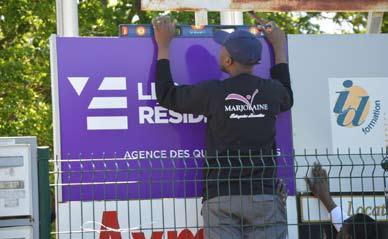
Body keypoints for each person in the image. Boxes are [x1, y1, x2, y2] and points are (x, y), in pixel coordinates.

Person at [153, 16, 293, 239]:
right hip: (263, 196)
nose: (218, 52)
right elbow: (287, 93)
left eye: (222, 49)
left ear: (228, 60)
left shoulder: (213, 93)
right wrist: (278, 46)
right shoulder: (272, 91)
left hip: (222, 196)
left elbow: (167, 95)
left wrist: (163, 45)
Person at [305, 163, 381, 239]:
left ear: (348, 237)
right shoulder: (350, 233)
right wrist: (325, 196)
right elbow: (342, 219)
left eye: (344, 224)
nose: (341, 224)